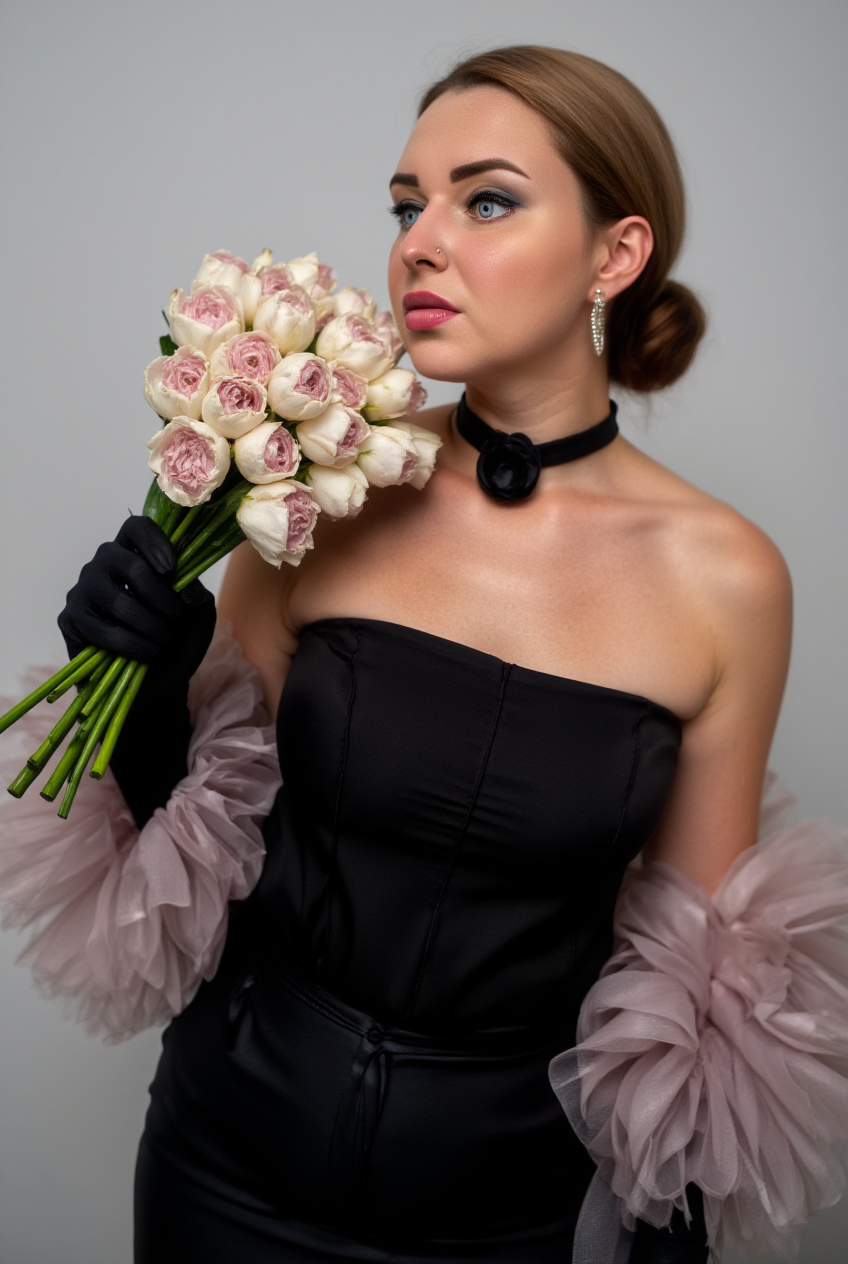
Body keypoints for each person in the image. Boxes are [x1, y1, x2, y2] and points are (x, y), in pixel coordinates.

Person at [5, 44, 847, 1264]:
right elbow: (202, 838)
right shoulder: (315, 489)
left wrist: (666, 1244)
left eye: (485, 200)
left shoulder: (725, 577)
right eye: (408, 206)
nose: (419, 245)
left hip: (510, 1219)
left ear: (614, 253)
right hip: (221, 1171)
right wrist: (143, 682)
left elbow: (700, 978)